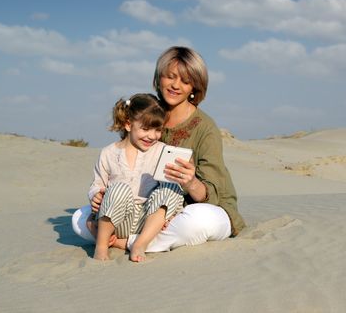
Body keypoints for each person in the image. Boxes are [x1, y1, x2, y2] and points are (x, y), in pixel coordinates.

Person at [72, 46, 245, 253]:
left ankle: (123, 242)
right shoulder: (150, 110)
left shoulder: (205, 128)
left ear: (195, 88)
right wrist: (100, 196)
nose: (175, 85)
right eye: (170, 76)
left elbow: (213, 196)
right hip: (146, 210)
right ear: (159, 77)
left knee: (196, 222)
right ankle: (140, 239)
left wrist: (190, 182)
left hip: (198, 208)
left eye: (185, 81)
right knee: (78, 219)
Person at [80, 93, 184, 261]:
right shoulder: (108, 153)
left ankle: (139, 244)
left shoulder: (162, 150)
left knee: (171, 186)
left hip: (148, 220)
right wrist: (96, 195)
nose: (152, 136)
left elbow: (169, 195)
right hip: (119, 218)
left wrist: (169, 212)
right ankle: (101, 246)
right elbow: (96, 184)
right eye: (145, 129)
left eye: (158, 130)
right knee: (117, 189)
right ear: (128, 125)